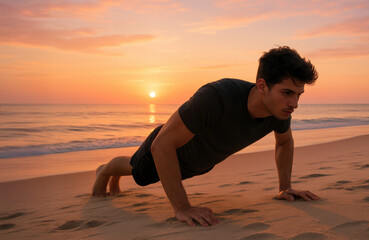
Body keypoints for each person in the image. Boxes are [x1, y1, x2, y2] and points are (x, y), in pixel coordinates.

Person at [92, 46, 320, 227]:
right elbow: (162, 145)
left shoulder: (279, 111)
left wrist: (285, 187)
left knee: (142, 170)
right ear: (262, 86)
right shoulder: (216, 97)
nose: (294, 104)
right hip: (165, 151)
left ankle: (111, 173)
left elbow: (284, 141)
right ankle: (105, 170)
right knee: (137, 171)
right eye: (287, 93)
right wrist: (182, 208)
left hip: (198, 163)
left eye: (299, 95)